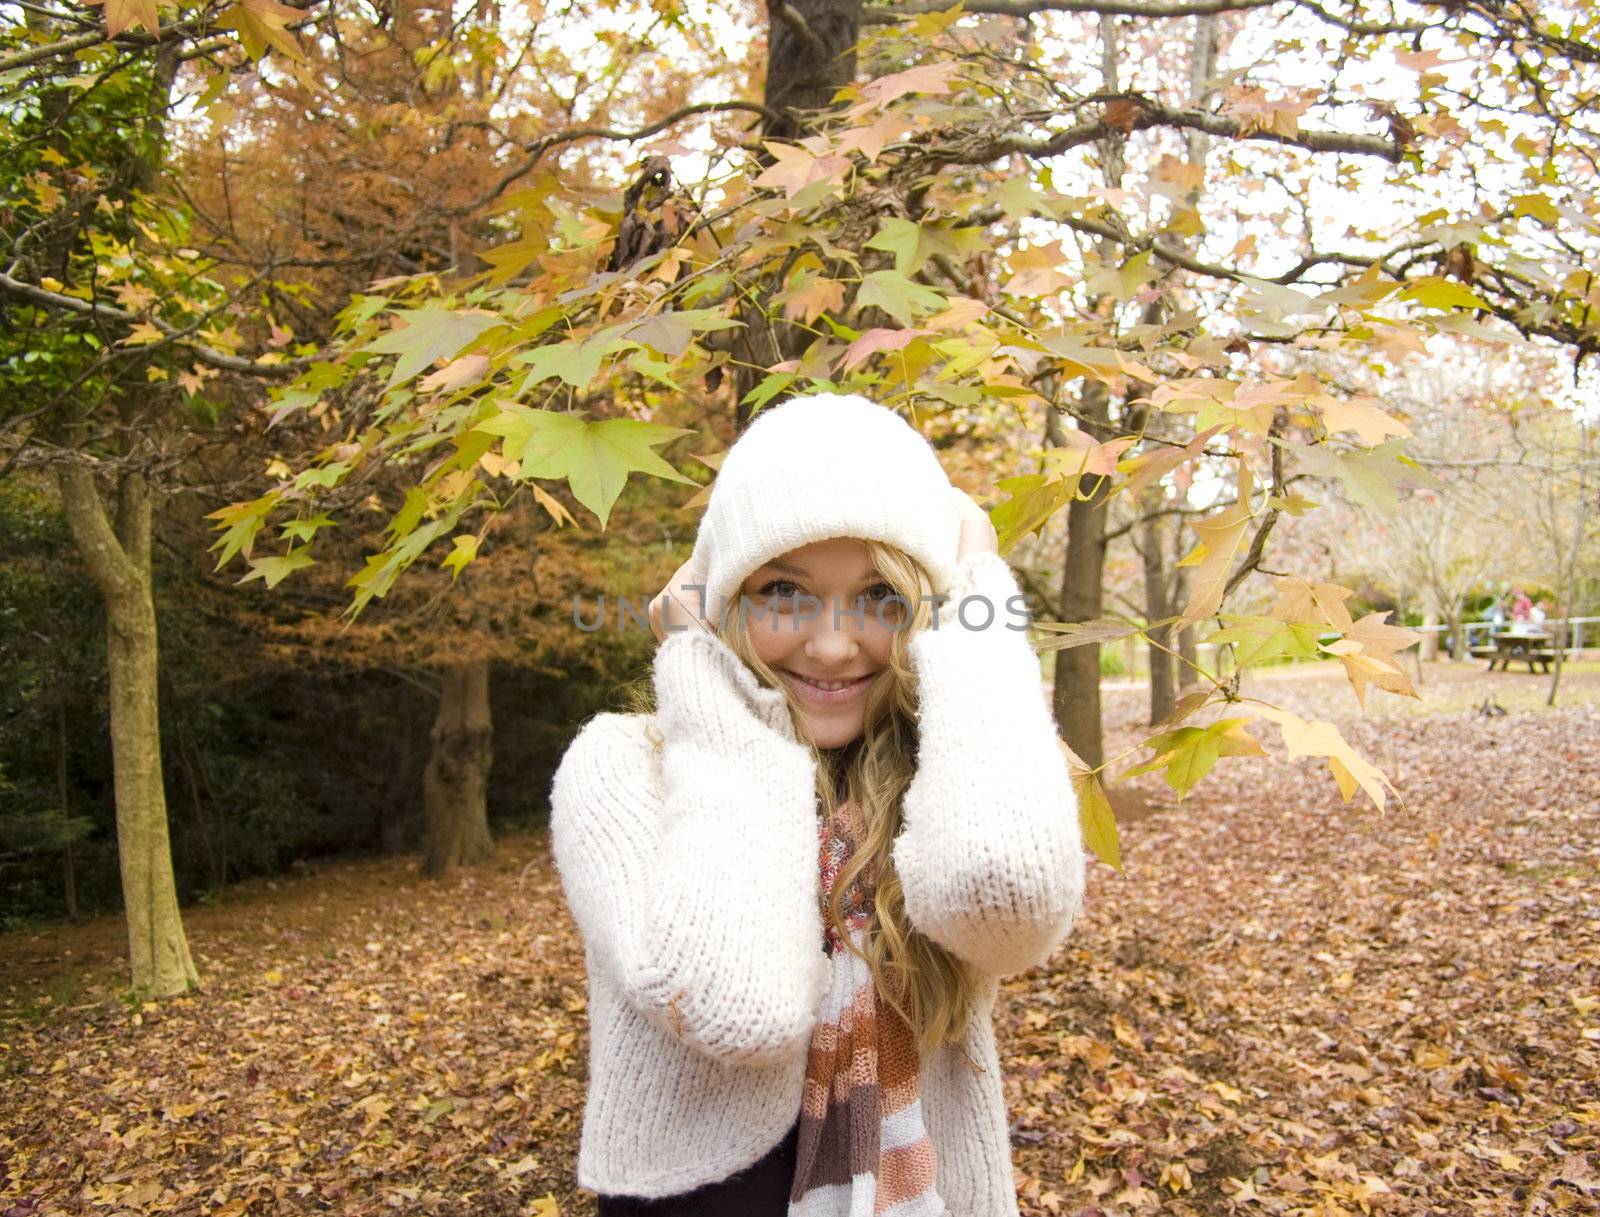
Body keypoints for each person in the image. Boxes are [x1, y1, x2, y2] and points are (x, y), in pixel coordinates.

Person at [547, 392, 1088, 1216]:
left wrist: (979, 591)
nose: (833, 645)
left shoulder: (948, 765)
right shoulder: (623, 766)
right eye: (784, 592)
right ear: (720, 600)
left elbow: (1004, 895)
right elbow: (738, 1004)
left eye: (880, 597)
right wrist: (711, 685)